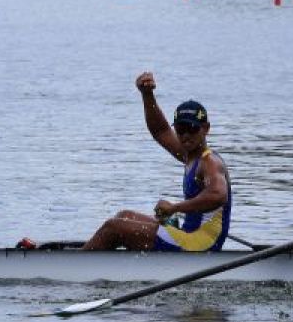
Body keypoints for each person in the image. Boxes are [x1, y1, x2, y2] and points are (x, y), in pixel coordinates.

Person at [83, 73, 232, 251]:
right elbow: (160, 130)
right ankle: (99, 260)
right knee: (126, 216)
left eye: (192, 128)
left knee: (114, 227)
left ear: (206, 129)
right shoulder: (189, 155)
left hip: (202, 243)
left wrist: (175, 208)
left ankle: (73, 267)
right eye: (181, 129)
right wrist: (147, 95)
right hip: (189, 234)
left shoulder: (210, 162)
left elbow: (218, 195)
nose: (185, 135)